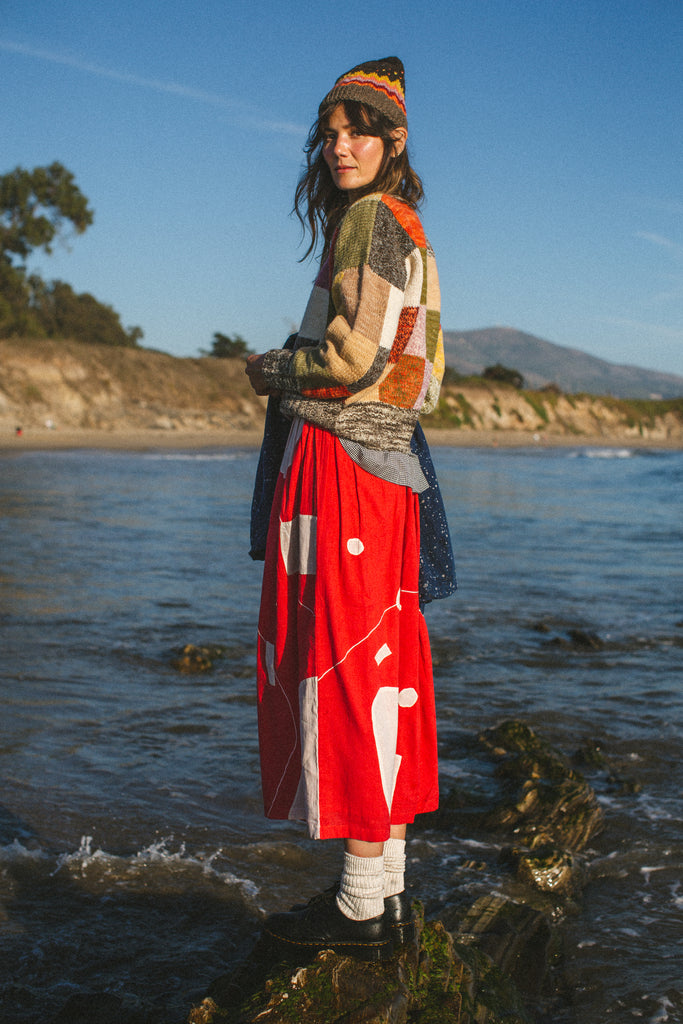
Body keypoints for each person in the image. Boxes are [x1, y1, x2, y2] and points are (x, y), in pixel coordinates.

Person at [245, 57, 448, 963]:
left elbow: (347, 359)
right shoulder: (414, 229)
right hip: (392, 470)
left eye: (358, 129)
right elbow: (424, 381)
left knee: (341, 670)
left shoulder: (368, 220)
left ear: (393, 140)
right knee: (385, 670)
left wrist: (269, 371)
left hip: (339, 466)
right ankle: (385, 891)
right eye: (330, 132)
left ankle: (360, 908)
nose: (340, 146)